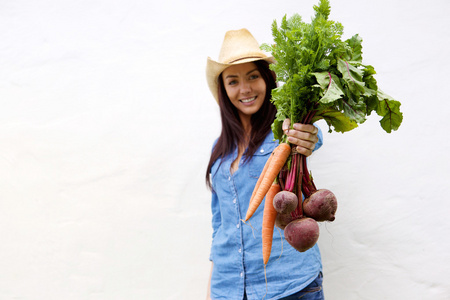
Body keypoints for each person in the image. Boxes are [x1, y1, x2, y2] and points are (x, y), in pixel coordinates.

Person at [205, 28, 325, 300]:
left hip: (290, 284)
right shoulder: (219, 148)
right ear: (224, 89)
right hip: (229, 289)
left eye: (253, 76)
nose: (245, 89)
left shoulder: (284, 130)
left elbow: (309, 137)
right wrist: (213, 288)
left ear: (267, 80)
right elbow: (220, 225)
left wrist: (305, 134)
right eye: (233, 81)